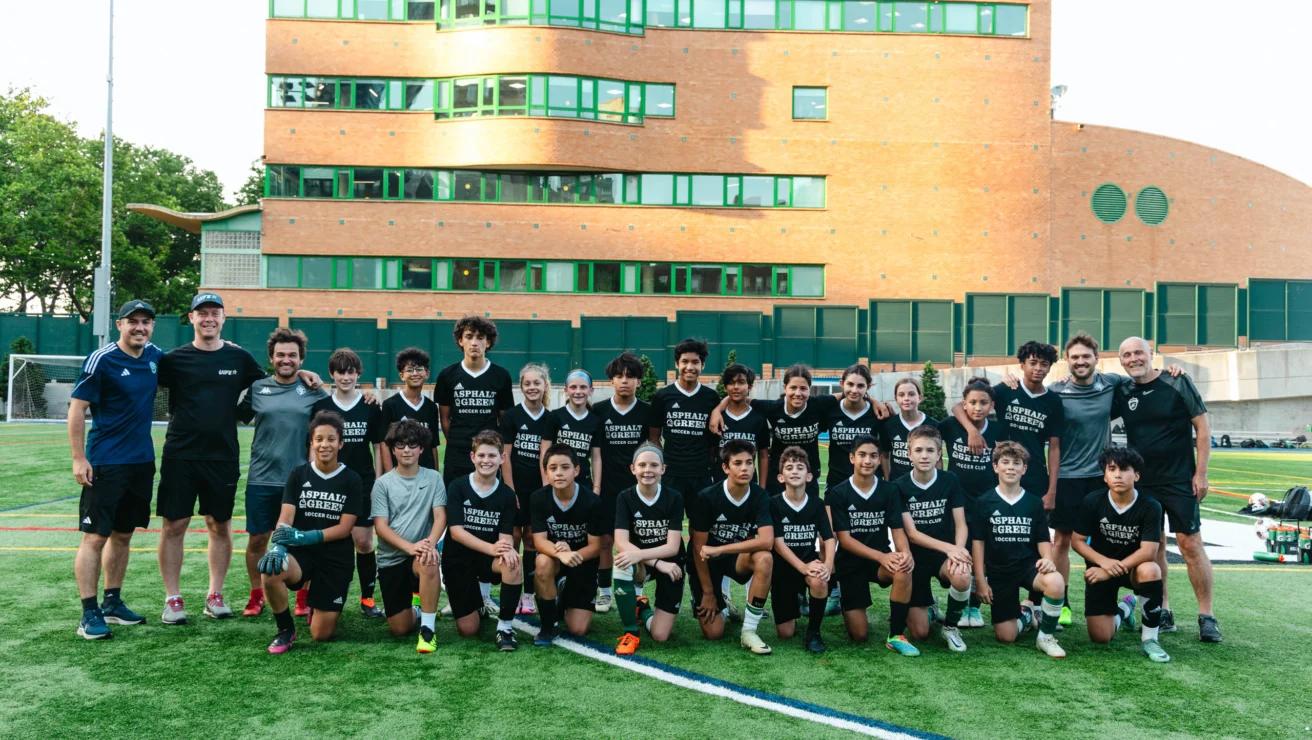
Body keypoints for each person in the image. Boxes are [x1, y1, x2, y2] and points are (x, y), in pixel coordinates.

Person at [1008, 332, 1185, 629]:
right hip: (1066, 477)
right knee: (1063, 540)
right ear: (1067, 360)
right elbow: (1029, 394)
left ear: (1096, 359)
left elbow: (1144, 377)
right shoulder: (1055, 391)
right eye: (1074, 357)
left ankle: (1116, 601)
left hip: (1102, 477)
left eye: (1086, 356)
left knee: (1103, 541)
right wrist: (1014, 381)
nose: (1080, 361)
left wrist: (1172, 372)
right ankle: (1060, 604)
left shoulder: (1112, 383)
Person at [154, 292, 268, 623]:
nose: (208, 318)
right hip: (180, 454)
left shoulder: (239, 358)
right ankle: (172, 598)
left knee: (219, 524)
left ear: (223, 318)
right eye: (201, 313)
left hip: (222, 456)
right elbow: (143, 381)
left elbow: (266, 385)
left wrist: (240, 412)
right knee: (175, 524)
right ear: (191, 318)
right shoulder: (173, 359)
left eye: (214, 313)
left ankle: (214, 594)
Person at [1113, 337, 1219, 643]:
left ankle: (1207, 616)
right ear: (1121, 361)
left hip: (1179, 481)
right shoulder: (1122, 390)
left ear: (1150, 354)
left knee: (1190, 545)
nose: (1134, 359)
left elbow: (1203, 429)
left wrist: (1201, 473)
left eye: (1138, 353)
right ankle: (1164, 610)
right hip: (1142, 483)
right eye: (1127, 355)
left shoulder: (1177, 381)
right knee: (1155, 547)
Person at [68, 300, 163, 639]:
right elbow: (77, 409)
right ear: (119, 324)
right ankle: (89, 613)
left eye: (146, 321)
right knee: (95, 537)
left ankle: (112, 602)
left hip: (141, 463)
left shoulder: (155, 357)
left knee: (123, 535)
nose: (140, 327)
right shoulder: (102, 359)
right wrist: (80, 458)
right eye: (133, 321)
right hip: (106, 463)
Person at [954, 340, 1063, 613]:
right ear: (1022, 364)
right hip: (1000, 474)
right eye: (1032, 363)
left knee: (1033, 536)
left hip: (1034, 476)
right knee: (993, 536)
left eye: (1044, 364)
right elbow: (959, 406)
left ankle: (1034, 603)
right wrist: (972, 431)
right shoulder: (1005, 390)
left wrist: (1051, 489)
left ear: (1050, 367)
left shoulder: (1053, 400)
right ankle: (980, 596)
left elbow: (1055, 447)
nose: (1038, 368)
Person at [236, 328, 331, 619]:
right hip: (261, 478)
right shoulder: (258, 389)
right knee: (257, 540)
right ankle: (256, 595)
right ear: (272, 358)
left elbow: (328, 430)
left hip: (301, 480)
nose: (286, 360)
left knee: (303, 538)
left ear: (301, 359)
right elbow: (233, 415)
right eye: (280, 355)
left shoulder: (314, 391)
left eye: (292, 355)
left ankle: (303, 595)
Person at [257, 410, 363, 653]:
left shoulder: (352, 479)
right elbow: (286, 516)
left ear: (341, 443)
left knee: (320, 635)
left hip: (335, 557)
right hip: (301, 554)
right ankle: (285, 629)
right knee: (270, 570)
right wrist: (278, 546)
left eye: (331, 439)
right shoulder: (298, 474)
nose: (324, 444)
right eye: (319, 439)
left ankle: (319, 600)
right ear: (311, 443)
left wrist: (306, 536)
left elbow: (345, 528)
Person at [1072, 446, 1170, 662]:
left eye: (1125, 469)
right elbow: (1077, 542)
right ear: (1105, 476)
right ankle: (1126, 608)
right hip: (1100, 568)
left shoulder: (1151, 506)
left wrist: (1111, 571)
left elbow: (1149, 551)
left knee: (1151, 569)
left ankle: (1149, 640)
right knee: (1100, 638)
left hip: (1133, 569)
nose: (1118, 474)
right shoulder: (1093, 501)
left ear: (1136, 475)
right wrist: (1104, 563)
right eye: (1112, 469)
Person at [970, 441, 1067, 658]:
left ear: (1024, 469)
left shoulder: (1033, 503)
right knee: (1006, 636)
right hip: (999, 572)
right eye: (1005, 462)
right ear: (995, 467)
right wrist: (981, 580)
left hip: (1027, 566)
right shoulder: (984, 502)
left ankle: (1046, 637)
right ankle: (1026, 614)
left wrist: (1048, 559)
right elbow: (978, 543)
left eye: (1017, 463)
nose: (1010, 467)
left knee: (1056, 580)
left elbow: (1043, 539)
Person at [825, 435, 918, 656]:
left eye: (873, 456)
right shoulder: (837, 493)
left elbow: (898, 530)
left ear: (879, 460)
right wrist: (881, 556)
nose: (867, 461)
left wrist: (905, 554)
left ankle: (896, 635)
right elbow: (845, 540)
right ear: (851, 458)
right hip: (850, 563)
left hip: (880, 561)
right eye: (862, 455)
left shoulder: (889, 490)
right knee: (859, 636)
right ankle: (843, 600)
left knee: (903, 568)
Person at [311, 348, 385, 618]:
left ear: (358, 374)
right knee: (329, 542)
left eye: (351, 371)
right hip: (330, 483)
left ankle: (367, 599)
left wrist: (378, 479)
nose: (346, 377)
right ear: (332, 374)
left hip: (363, 482)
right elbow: (315, 445)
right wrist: (314, 478)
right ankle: (328, 597)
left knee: (364, 543)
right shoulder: (321, 407)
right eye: (341, 371)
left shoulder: (370, 405)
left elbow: (378, 446)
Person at [688, 440, 775, 655]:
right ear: (725, 467)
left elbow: (766, 541)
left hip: (733, 558)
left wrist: (721, 549)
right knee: (713, 633)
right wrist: (708, 592)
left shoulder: (759, 495)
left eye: (749, 463)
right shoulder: (707, 497)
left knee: (765, 558)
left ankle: (749, 631)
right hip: (705, 562)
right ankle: (722, 602)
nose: (745, 468)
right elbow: (698, 549)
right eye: (737, 463)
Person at [441, 430, 522, 651]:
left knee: (513, 562)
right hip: (457, 559)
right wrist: (492, 547)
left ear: (502, 458)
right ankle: (477, 605)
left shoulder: (506, 495)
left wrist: (506, 550)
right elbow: (456, 532)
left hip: (487, 559)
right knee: (469, 630)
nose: (486, 460)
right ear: (472, 457)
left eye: (492, 456)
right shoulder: (458, 486)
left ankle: (505, 628)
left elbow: (505, 538)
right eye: (482, 455)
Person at [372, 419, 446, 653]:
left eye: (412, 445)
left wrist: (428, 544)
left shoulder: (434, 478)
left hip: (419, 555)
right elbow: (381, 527)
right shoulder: (382, 484)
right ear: (392, 449)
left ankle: (428, 630)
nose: (406, 450)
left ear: (421, 449)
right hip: (392, 558)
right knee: (400, 628)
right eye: (401, 445)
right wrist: (410, 547)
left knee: (430, 559)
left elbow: (440, 517)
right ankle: (417, 605)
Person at [894, 426, 971, 653]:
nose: (924, 455)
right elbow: (913, 534)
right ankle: (929, 607)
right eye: (918, 450)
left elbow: (961, 524)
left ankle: (950, 627)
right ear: (909, 454)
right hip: (916, 557)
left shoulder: (950, 480)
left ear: (939, 454)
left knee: (962, 575)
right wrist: (951, 548)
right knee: (920, 634)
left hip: (942, 555)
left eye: (930, 450)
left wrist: (958, 551)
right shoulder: (899, 486)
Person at [592, 354, 654, 615]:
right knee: (605, 540)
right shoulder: (598, 410)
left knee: (637, 541)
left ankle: (637, 592)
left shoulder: (647, 411)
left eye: (630, 376)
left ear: (639, 381)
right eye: (619, 376)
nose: (624, 381)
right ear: (611, 381)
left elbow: (652, 448)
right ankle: (604, 592)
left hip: (637, 488)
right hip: (607, 485)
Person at [937, 378, 998, 628]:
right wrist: (971, 430)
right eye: (972, 402)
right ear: (965, 403)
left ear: (992, 405)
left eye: (983, 403)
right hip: (956, 503)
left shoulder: (997, 430)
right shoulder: (952, 426)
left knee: (979, 556)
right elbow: (944, 417)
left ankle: (974, 607)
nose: (977, 407)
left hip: (985, 502)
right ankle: (955, 606)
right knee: (957, 555)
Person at [612, 444, 685, 654]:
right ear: (633, 468)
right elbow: (621, 544)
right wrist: (655, 562)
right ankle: (630, 633)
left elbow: (672, 547)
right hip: (646, 563)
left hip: (671, 564)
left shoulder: (674, 497)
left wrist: (651, 558)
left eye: (654, 465)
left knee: (661, 636)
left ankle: (642, 609)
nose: (648, 470)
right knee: (622, 564)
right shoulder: (625, 497)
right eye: (642, 465)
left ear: (663, 469)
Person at [531, 444, 606, 645]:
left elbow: (595, 547)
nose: (559, 473)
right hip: (556, 558)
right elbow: (539, 541)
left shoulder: (591, 501)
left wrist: (571, 553)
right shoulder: (539, 498)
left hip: (582, 560)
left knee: (578, 629)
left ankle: (563, 592)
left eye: (565, 467)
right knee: (542, 563)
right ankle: (548, 625)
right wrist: (560, 553)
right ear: (545, 472)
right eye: (553, 468)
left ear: (577, 470)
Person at [769, 447, 835, 655]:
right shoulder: (774, 504)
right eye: (789, 468)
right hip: (783, 569)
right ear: (781, 477)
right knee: (785, 633)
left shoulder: (816, 504)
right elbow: (778, 543)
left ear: (809, 475)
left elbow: (829, 538)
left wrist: (827, 566)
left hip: (809, 564)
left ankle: (814, 631)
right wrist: (801, 567)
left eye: (800, 467)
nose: (794, 471)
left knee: (819, 579)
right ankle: (796, 599)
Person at [499, 363, 553, 616]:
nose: (532, 387)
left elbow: (548, 459)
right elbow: (505, 456)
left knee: (533, 539)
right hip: (514, 486)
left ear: (544, 386)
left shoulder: (550, 418)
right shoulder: (511, 416)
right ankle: (511, 590)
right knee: (513, 539)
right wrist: (510, 490)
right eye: (527, 384)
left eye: (537, 383)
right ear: (521, 387)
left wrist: (545, 493)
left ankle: (529, 595)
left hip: (537, 488)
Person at [435, 316, 514, 484]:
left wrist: (492, 447)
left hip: (488, 454)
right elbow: (444, 418)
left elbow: (504, 420)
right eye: (469, 337)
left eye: (480, 337)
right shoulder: (447, 375)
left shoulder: (501, 376)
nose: (474, 343)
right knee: (454, 501)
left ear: (489, 342)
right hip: (457, 453)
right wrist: (457, 441)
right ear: (460, 341)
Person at [649, 338, 721, 507]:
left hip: (700, 474)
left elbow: (713, 442)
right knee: (670, 524)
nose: (690, 367)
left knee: (700, 526)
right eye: (685, 362)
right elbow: (654, 437)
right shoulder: (663, 396)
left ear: (702, 365)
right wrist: (664, 463)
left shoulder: (710, 398)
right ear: (676, 364)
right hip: (672, 474)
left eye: (695, 362)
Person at [380, 347, 441, 472]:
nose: (415, 374)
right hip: (400, 474)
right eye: (409, 370)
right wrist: (391, 477)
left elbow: (433, 445)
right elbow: (384, 444)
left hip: (425, 474)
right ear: (402, 375)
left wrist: (435, 475)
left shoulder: (431, 407)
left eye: (419, 369)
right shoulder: (390, 405)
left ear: (427, 374)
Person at [712, 362, 770, 486]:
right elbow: (711, 453)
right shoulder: (717, 418)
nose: (736, 387)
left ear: (750, 386)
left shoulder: (758, 419)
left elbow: (763, 456)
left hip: (749, 485)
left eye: (741, 382)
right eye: (731, 383)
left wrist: (763, 487)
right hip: (720, 484)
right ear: (725, 387)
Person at [826, 364, 882, 493]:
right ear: (842, 384)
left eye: (860, 386)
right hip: (837, 481)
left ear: (868, 387)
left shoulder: (877, 413)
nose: (854, 390)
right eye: (850, 384)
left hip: (870, 481)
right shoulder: (830, 410)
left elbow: (885, 451)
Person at [880, 377, 938, 483]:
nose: (906, 398)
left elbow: (938, 459)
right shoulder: (888, 425)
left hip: (924, 483)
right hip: (897, 485)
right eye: (901, 395)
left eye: (911, 394)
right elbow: (885, 456)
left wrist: (936, 483)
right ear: (896, 398)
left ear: (920, 397)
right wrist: (888, 481)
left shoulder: (933, 425)